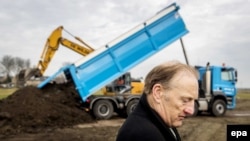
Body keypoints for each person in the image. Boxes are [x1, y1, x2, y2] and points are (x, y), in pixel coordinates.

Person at [116, 60, 199, 141]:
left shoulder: (162, 121)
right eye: (185, 100)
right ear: (158, 93)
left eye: (193, 100)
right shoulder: (143, 135)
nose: (191, 111)